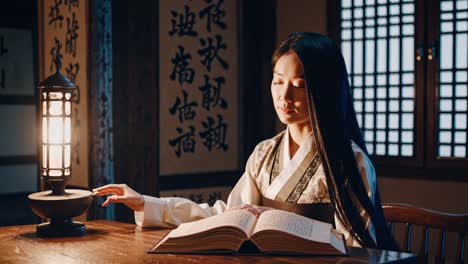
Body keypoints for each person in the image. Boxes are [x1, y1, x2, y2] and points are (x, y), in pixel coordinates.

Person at [93, 32, 397, 250]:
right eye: (278, 81)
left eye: (299, 85)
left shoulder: (350, 161)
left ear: (325, 90)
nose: (284, 96)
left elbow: (358, 248)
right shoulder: (264, 154)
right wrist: (147, 202)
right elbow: (229, 215)